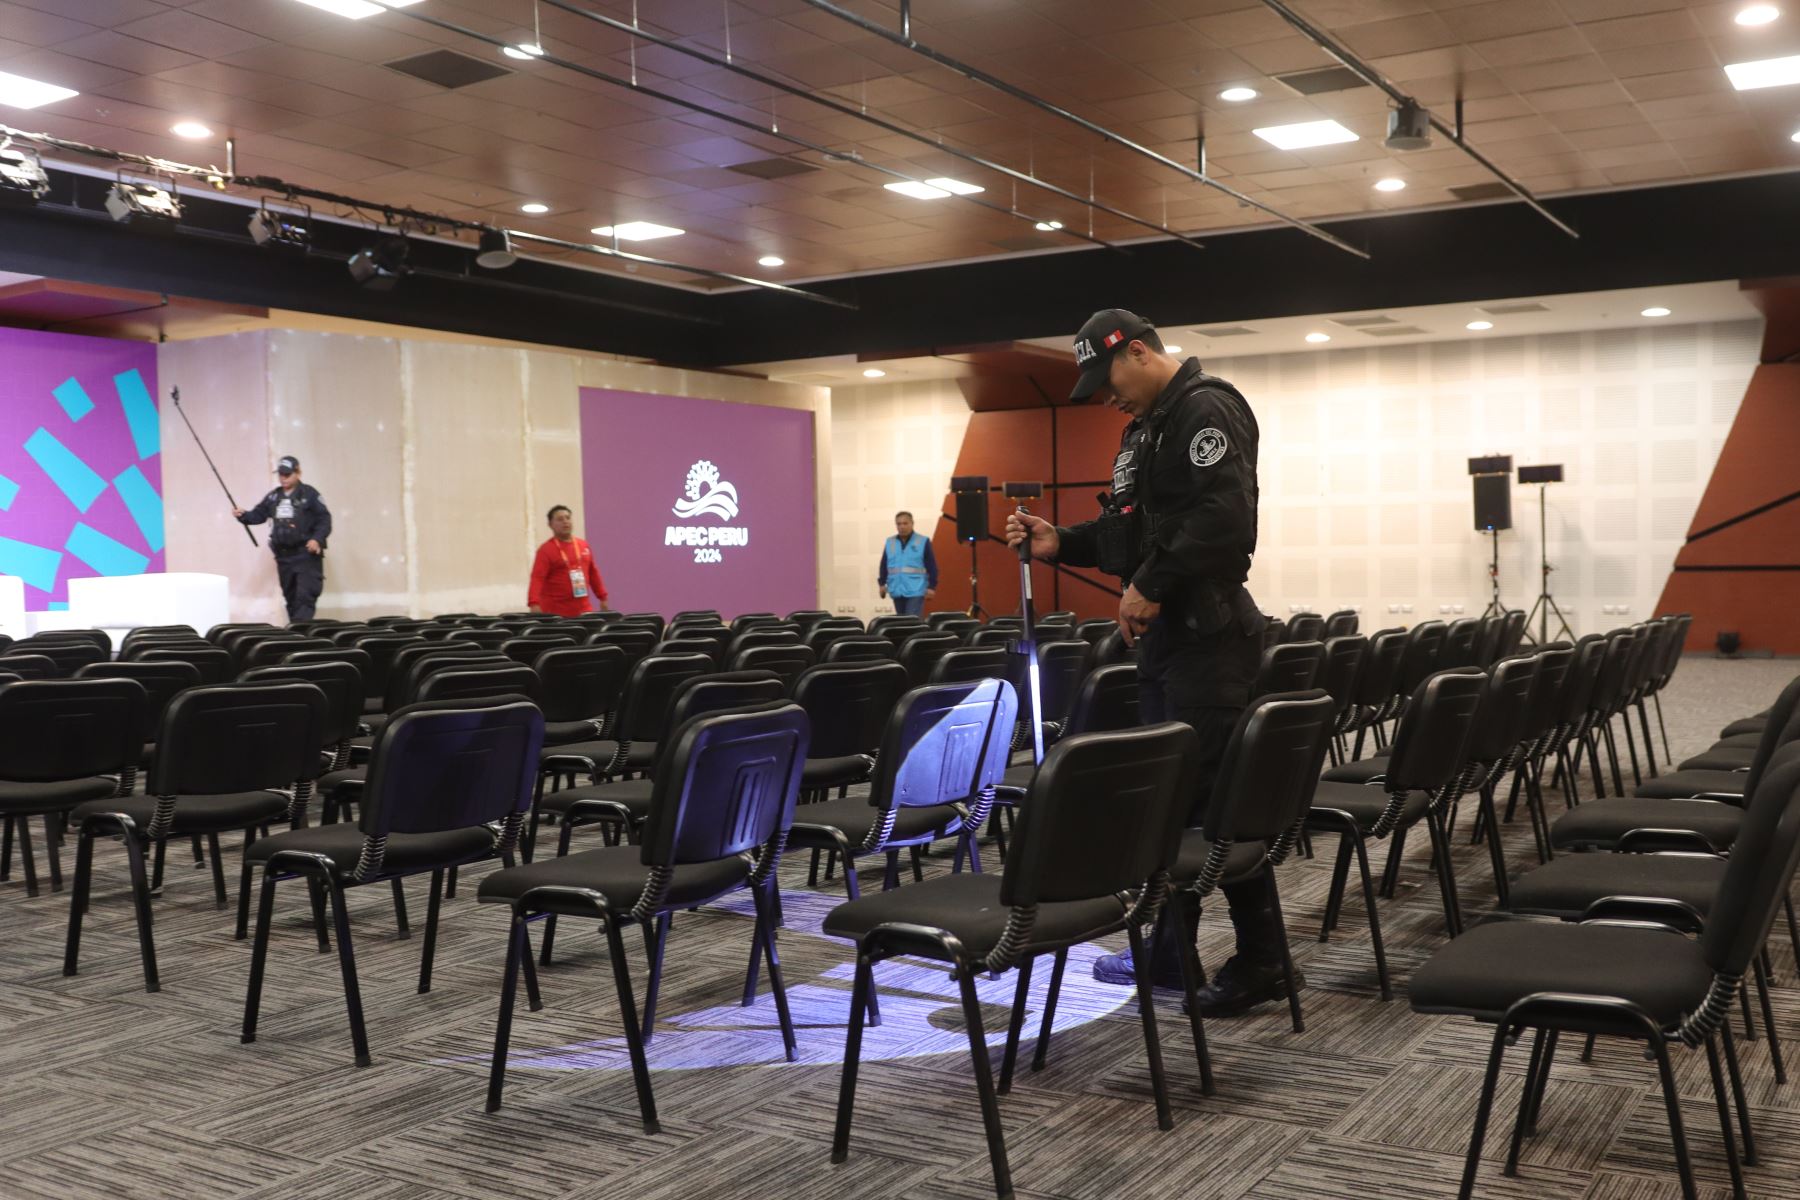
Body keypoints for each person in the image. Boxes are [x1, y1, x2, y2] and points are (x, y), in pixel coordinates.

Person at [1006, 308, 1281, 1017]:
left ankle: (1232, 958)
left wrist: (1151, 586)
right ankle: (1205, 955)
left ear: (1136, 351)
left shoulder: (1205, 409)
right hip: (1170, 648)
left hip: (1209, 640)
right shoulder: (1144, 432)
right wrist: (1058, 542)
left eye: (1107, 379)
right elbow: (1127, 533)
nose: (1105, 397)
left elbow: (1223, 522)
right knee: (1191, 802)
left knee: (1197, 805)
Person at [236, 455, 331, 624]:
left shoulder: (310, 494)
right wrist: (243, 515)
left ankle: (301, 634)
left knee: (305, 597)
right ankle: (296, 632)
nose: (283, 478)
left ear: (298, 473)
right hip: (284, 557)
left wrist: (317, 539)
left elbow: (324, 520)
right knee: (291, 598)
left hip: (306, 556)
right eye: (281, 474)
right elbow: (258, 515)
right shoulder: (274, 496)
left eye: (287, 474)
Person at [528, 504, 610, 617]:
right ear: (550, 525)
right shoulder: (545, 550)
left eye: (568, 518)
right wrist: (534, 603)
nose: (565, 522)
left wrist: (602, 597)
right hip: (556, 614)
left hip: (584, 611)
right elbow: (537, 578)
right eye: (560, 519)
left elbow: (593, 573)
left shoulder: (583, 545)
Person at [877, 510, 938, 616]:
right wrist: (882, 584)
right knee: (902, 622)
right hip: (896, 589)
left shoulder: (922, 541)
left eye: (905, 523)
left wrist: (932, 586)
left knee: (912, 620)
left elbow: (932, 566)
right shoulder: (890, 542)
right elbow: (884, 565)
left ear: (912, 523)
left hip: (916, 589)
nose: (902, 527)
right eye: (899, 524)